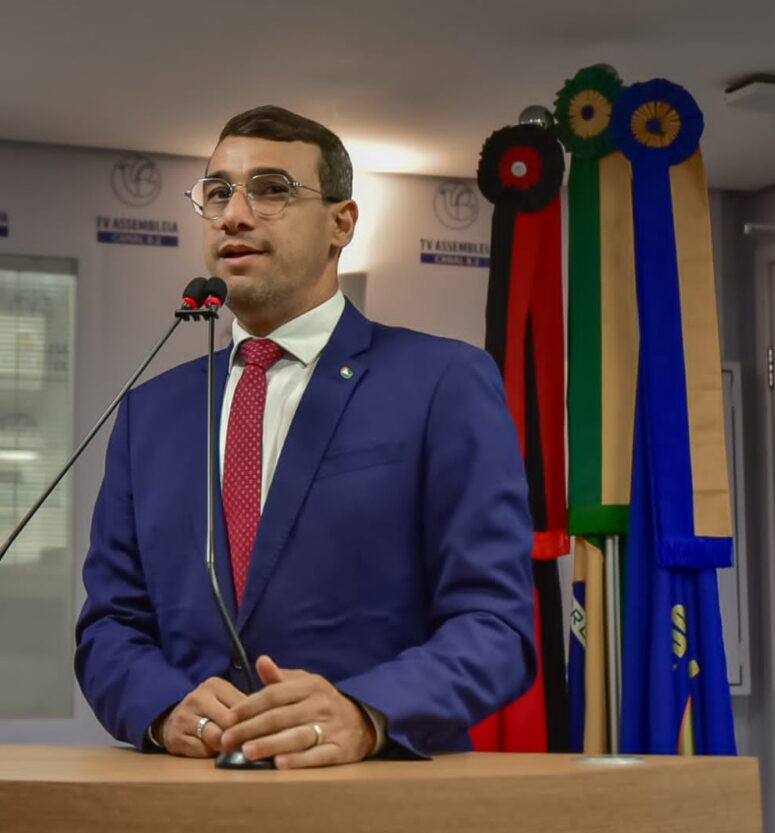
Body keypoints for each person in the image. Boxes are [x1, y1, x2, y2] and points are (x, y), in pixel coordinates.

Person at [75, 105, 536, 768]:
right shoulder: (150, 412)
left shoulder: (443, 382)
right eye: (217, 193)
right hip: (188, 795)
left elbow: (495, 625)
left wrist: (366, 712)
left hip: (375, 793)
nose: (235, 215)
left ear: (341, 223)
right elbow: (110, 626)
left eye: (271, 190)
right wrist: (165, 706)